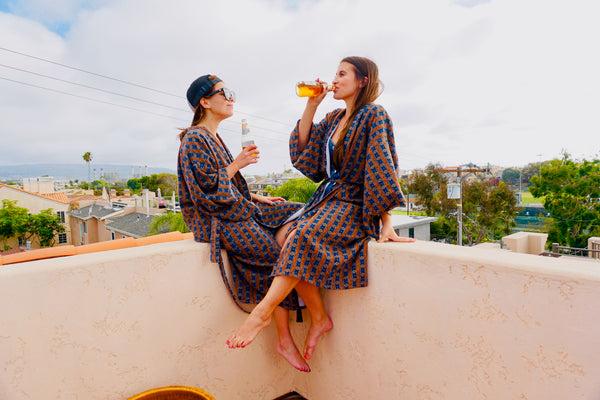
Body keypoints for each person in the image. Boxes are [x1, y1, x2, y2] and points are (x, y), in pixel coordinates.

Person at [226, 57, 415, 361]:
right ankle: (319, 317)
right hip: (326, 200)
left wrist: (386, 222)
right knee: (279, 232)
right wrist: (311, 106)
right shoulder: (334, 117)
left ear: (362, 81)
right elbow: (304, 151)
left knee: (300, 236)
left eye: (342, 74)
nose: (335, 80)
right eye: (335, 74)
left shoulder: (374, 115)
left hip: (353, 205)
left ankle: (262, 313)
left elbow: (382, 166)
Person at [177, 74, 310, 372]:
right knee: (277, 260)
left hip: (239, 208)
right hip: (219, 220)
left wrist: (256, 198)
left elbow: (229, 187)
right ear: (205, 102)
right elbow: (206, 191)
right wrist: (237, 163)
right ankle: (284, 339)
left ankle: (299, 319)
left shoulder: (213, 137)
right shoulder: (194, 138)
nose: (231, 97)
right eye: (224, 92)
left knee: (301, 211)